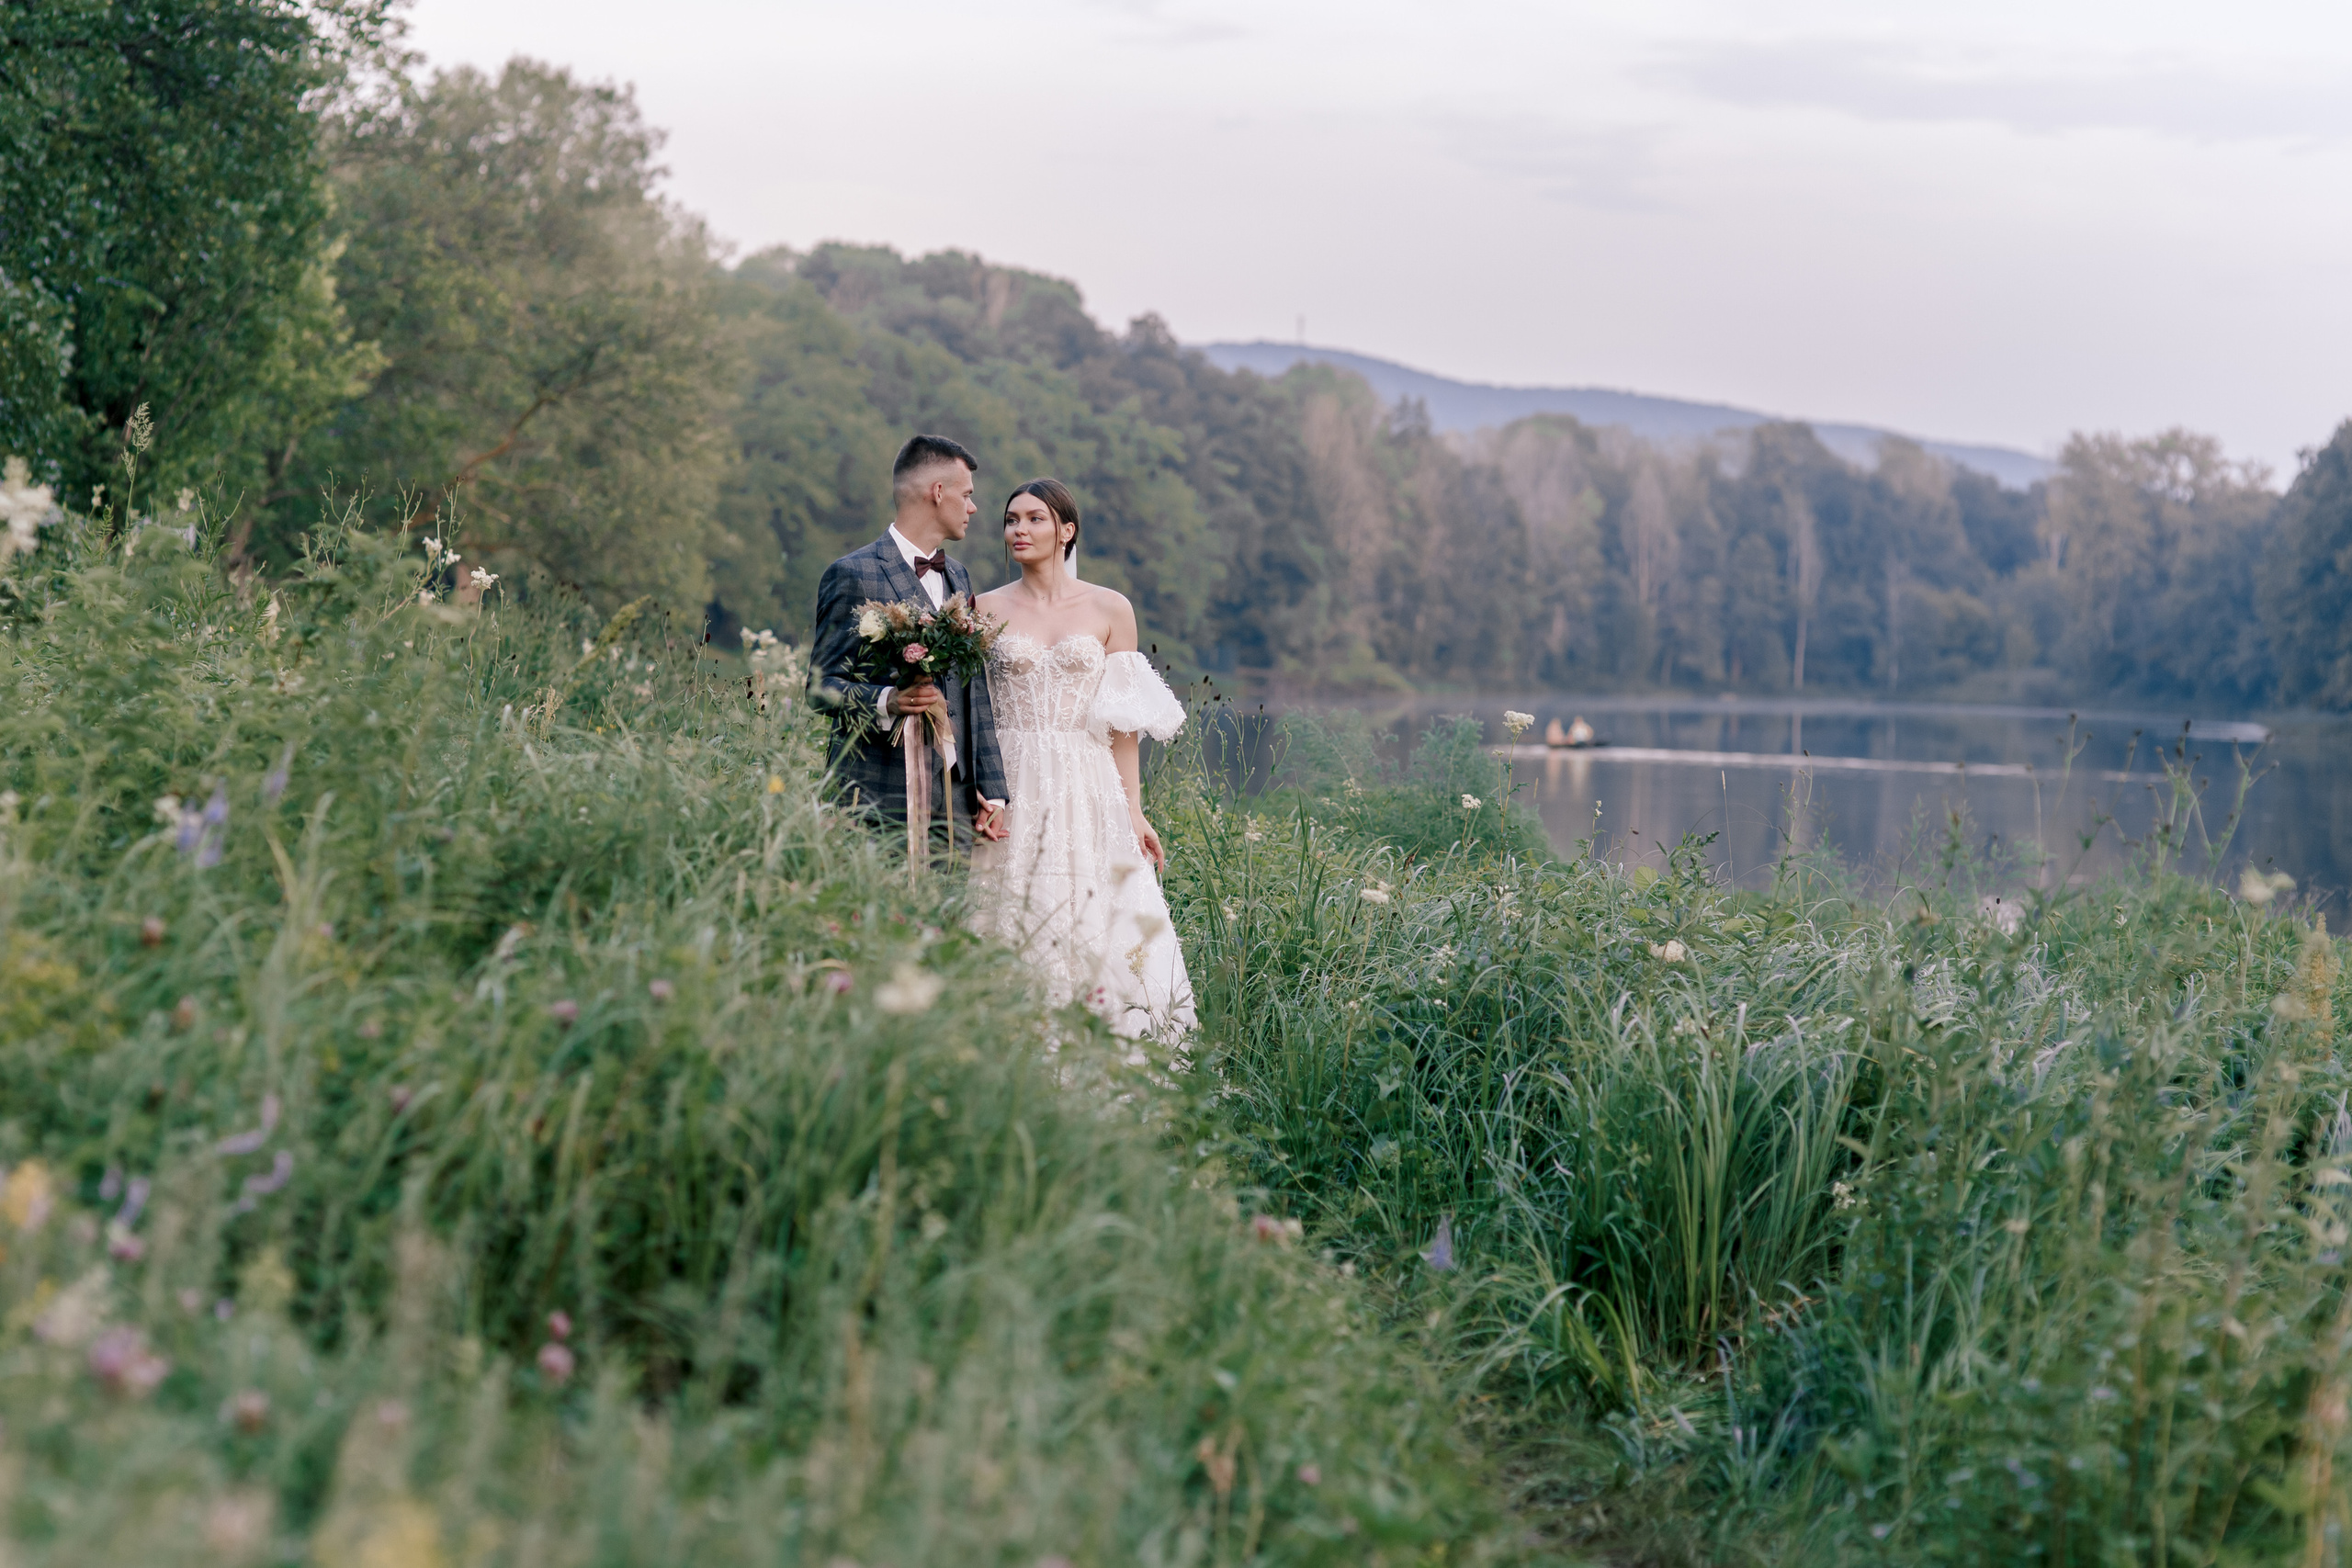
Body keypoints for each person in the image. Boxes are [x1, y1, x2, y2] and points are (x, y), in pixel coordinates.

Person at [967, 478, 1194, 1040]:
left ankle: (1111, 1051)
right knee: (1007, 909)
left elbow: (1121, 726)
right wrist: (977, 787)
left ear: (1066, 530)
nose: (1019, 529)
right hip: (1011, 776)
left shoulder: (1109, 607)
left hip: (1086, 779)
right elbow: (969, 710)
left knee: (1098, 912)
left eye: (1035, 519)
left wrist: (1134, 811)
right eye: (1011, 519)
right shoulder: (982, 607)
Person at [808, 434, 1009, 850]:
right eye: (967, 495)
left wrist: (993, 788)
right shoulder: (852, 573)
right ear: (938, 492)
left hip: (955, 803)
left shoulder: (959, 576)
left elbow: (974, 692)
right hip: (875, 797)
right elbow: (819, 688)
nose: (973, 507)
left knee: (945, 916)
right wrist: (887, 701)